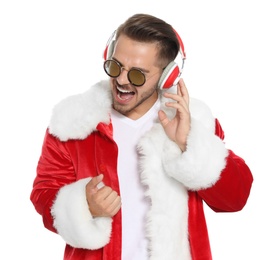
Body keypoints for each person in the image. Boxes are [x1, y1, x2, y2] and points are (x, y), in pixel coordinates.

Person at [30, 13, 253, 260]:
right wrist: (84, 206)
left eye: (137, 74)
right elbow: (43, 193)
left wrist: (187, 142)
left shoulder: (193, 121)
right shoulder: (73, 123)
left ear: (167, 75)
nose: (122, 80)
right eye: (116, 66)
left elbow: (235, 199)